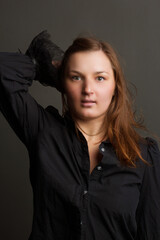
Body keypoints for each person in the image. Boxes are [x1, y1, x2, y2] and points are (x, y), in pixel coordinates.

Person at [0, 31, 160, 240]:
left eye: (100, 78)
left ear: (115, 87)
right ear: (62, 83)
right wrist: (40, 65)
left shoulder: (144, 157)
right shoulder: (44, 132)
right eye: (76, 77)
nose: (88, 89)